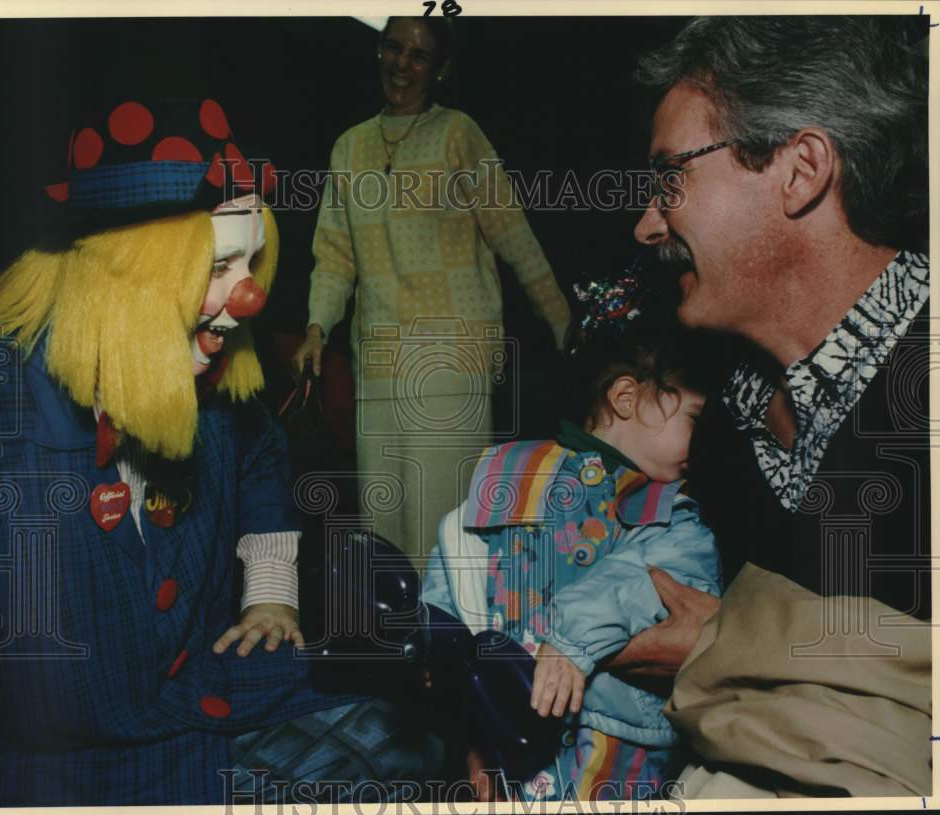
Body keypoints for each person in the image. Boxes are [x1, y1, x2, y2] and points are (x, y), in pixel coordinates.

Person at [0, 96, 440, 806]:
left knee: (414, 745)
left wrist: (271, 584)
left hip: (197, 725)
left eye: (252, 262)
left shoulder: (212, 380)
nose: (246, 297)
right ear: (118, 273)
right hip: (49, 776)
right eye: (217, 267)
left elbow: (261, 455)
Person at [610, 16, 930, 798]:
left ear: (801, 169)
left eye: (670, 177)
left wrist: (726, 643)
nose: (648, 223)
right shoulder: (721, 433)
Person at [421, 276, 722, 801]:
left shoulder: (675, 514)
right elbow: (458, 552)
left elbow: (645, 580)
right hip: (503, 732)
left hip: (614, 736)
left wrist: (571, 638)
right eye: (696, 418)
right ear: (627, 398)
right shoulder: (515, 470)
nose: (707, 439)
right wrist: (440, 650)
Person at [293, 17, 571, 563]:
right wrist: (317, 327)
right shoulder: (349, 148)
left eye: (419, 56)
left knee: (445, 527)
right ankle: (401, 643)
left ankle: (452, 644)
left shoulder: (457, 133)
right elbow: (334, 255)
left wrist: (559, 317)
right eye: (394, 48)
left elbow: (511, 232)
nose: (403, 64)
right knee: (385, 523)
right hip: (379, 358)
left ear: (441, 69)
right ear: (378, 52)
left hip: (452, 356)